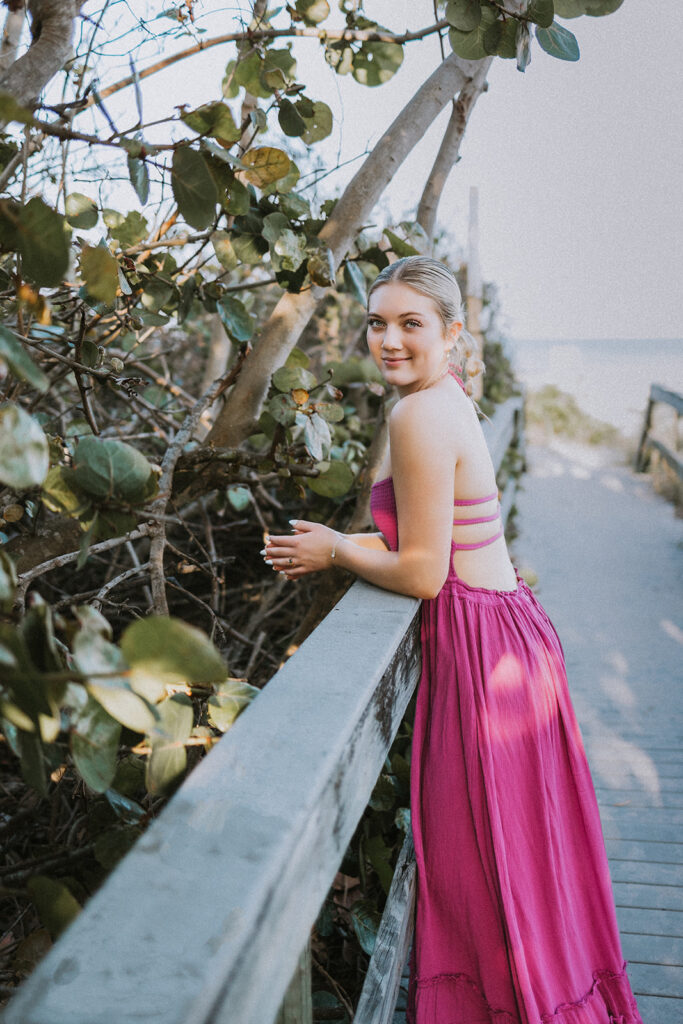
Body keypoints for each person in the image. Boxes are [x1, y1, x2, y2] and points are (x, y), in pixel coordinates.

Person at [263, 256, 643, 1024]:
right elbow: (435, 536)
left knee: (481, 864)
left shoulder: (415, 414)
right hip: (510, 636)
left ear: (451, 332)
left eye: (411, 323)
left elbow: (424, 573)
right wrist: (347, 537)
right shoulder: (446, 397)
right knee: (526, 866)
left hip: (481, 654)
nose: (389, 340)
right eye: (377, 322)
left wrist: (336, 550)